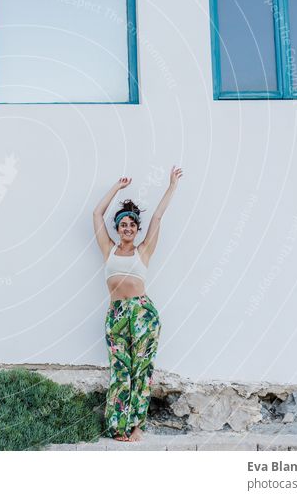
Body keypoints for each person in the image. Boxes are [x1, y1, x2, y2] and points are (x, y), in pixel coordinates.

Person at [92, 166, 183, 441]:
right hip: (116, 313)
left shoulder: (144, 251)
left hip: (142, 312)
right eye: (123, 225)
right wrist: (116, 188)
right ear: (118, 229)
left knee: (141, 370)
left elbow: (156, 217)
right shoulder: (108, 249)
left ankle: (136, 427)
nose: (128, 228)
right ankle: (117, 426)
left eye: (132, 225)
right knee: (120, 370)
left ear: (136, 229)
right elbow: (96, 214)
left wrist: (172, 186)